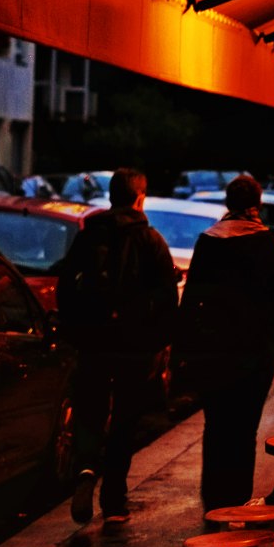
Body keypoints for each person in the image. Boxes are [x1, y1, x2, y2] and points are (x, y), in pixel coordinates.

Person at [56, 166, 180, 526]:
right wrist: (157, 341)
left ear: (111, 196)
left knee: (90, 410)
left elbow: (66, 286)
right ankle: (114, 500)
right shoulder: (151, 241)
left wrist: (76, 329)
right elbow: (167, 299)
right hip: (134, 346)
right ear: (140, 198)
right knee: (125, 419)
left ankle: (85, 469)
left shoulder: (89, 235)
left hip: (93, 342)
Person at [175, 172, 274, 511]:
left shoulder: (208, 241)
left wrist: (185, 347)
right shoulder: (265, 242)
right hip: (253, 354)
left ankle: (213, 498)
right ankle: (237, 499)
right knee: (244, 428)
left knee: (216, 426)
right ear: (257, 204)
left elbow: (193, 297)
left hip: (213, 353)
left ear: (227, 204)